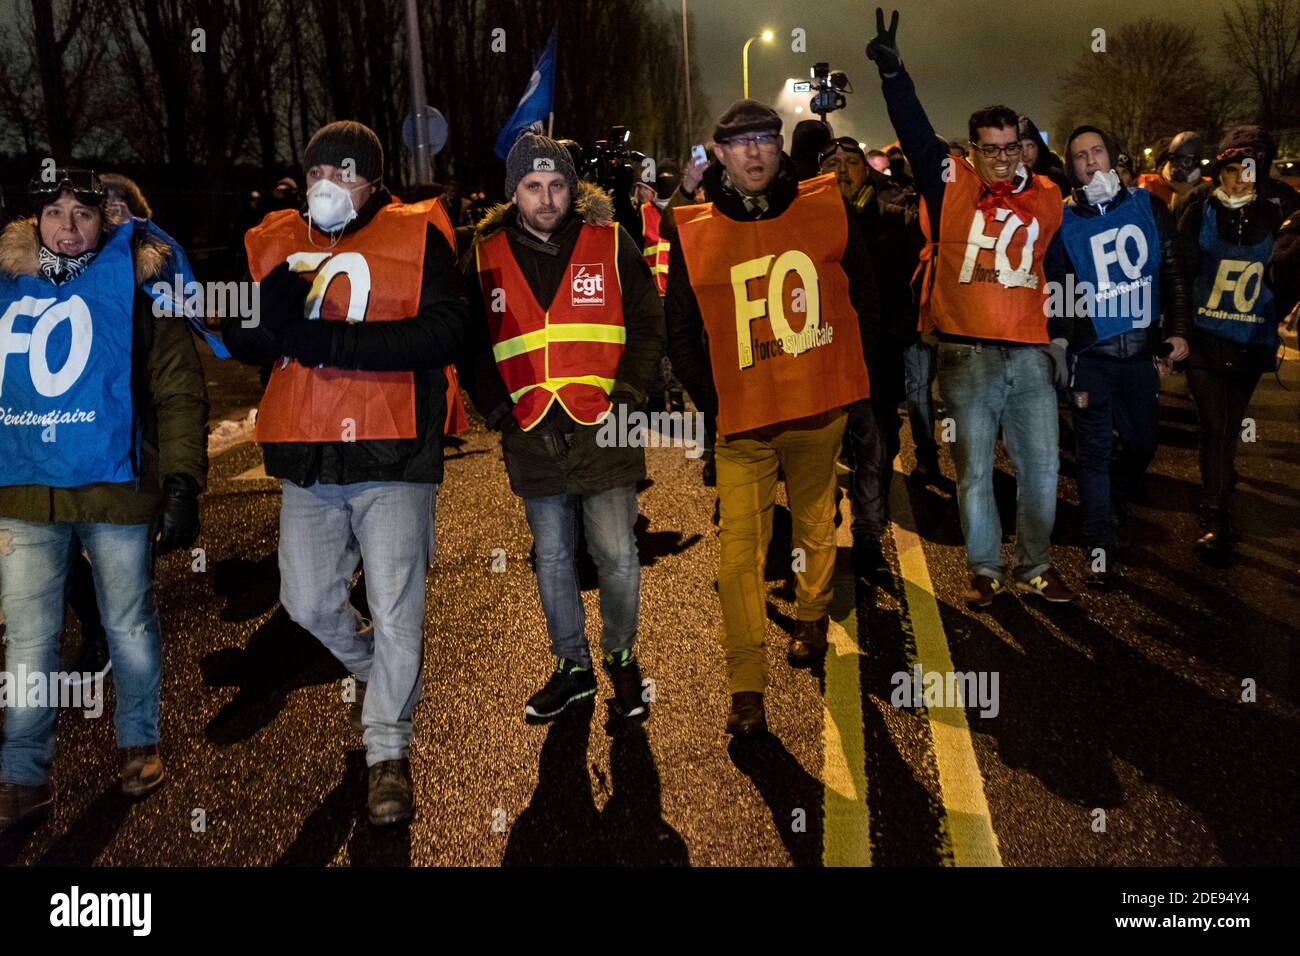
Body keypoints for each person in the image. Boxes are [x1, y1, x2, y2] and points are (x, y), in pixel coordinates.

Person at [221, 120, 467, 826]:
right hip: (309, 453)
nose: (330, 187)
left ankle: (388, 749)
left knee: (396, 609)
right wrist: (255, 323)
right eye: (320, 175)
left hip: (394, 451)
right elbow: (245, 337)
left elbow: (447, 332)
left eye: (348, 175)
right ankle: (375, 675)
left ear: (375, 181)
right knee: (305, 603)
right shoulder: (277, 237)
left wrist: (334, 340)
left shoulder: (417, 234)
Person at [0, 169, 209, 831]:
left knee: (128, 624)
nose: (67, 226)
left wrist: (181, 479)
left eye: (82, 214)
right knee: (30, 644)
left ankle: (138, 744)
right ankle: (25, 774)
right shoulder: (7, 288)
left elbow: (177, 388)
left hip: (117, 490)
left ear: (107, 222)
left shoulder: (142, 288)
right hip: (27, 490)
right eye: (54, 212)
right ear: (35, 220)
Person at [665, 100, 878, 735]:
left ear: (780, 147)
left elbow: (861, 296)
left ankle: (812, 614)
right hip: (744, 424)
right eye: (742, 143)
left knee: (815, 523)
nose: (756, 152)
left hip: (816, 410)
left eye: (766, 139)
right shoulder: (693, 227)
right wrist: (717, 400)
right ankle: (746, 685)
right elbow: (680, 330)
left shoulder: (822, 204)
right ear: (720, 154)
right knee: (738, 555)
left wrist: (854, 385)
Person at [868, 7, 1076, 608]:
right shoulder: (950, 182)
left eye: (1013, 147)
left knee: (1040, 473)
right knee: (977, 472)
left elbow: (1061, 261)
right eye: (991, 149)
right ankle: (985, 568)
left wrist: (1061, 337)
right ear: (972, 150)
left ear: (1025, 147)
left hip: (1030, 355)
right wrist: (894, 76)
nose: (1004, 159)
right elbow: (914, 132)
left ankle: (1035, 564)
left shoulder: (1046, 195)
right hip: (965, 355)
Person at [458, 133, 664, 724]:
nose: (546, 198)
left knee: (618, 555)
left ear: (573, 189)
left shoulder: (612, 241)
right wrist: (495, 408)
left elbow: (649, 325)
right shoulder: (482, 253)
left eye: (556, 185)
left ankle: (621, 658)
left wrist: (628, 396)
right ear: (513, 193)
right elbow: (471, 343)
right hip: (529, 430)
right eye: (532, 186)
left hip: (605, 422)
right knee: (552, 557)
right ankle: (572, 669)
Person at [1044, 125, 1190, 589]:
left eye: (1098, 151)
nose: (1091, 162)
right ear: (1072, 167)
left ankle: (1113, 502)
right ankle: (1100, 543)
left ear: (1113, 156)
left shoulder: (1149, 206)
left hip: (1140, 357)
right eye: (1081, 156)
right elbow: (1060, 290)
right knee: (1093, 454)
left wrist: (1179, 333)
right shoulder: (1062, 222)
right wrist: (1061, 343)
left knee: (1144, 442)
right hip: (1093, 358)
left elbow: (1173, 275)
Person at [1177, 126, 1289, 561]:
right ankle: (1216, 517)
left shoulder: (1278, 211)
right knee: (1216, 426)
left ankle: (1222, 486)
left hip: (1249, 342)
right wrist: (1178, 331)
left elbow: (1288, 275)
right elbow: (1180, 273)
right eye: (1230, 166)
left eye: (1249, 166)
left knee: (1224, 429)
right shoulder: (1198, 206)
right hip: (1205, 341)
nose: (1238, 175)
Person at [819, 135, 924, 579]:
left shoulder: (893, 218)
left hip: (875, 354)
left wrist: (895, 335)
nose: (842, 169)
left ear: (868, 170)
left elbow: (906, 286)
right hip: (823, 350)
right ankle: (825, 524)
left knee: (875, 446)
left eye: (851, 161)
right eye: (832, 162)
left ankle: (868, 533)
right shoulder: (810, 220)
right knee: (821, 447)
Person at [1138, 132, 1205, 213]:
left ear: (1197, 162)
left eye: (1186, 161)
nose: (1179, 166)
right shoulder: (1149, 186)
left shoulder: (1206, 191)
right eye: (1175, 159)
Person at [1018, 115, 1069, 192]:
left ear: (1039, 148)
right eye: (1019, 147)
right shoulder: (1005, 183)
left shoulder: (1056, 180)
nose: (1025, 154)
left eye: (1030, 146)